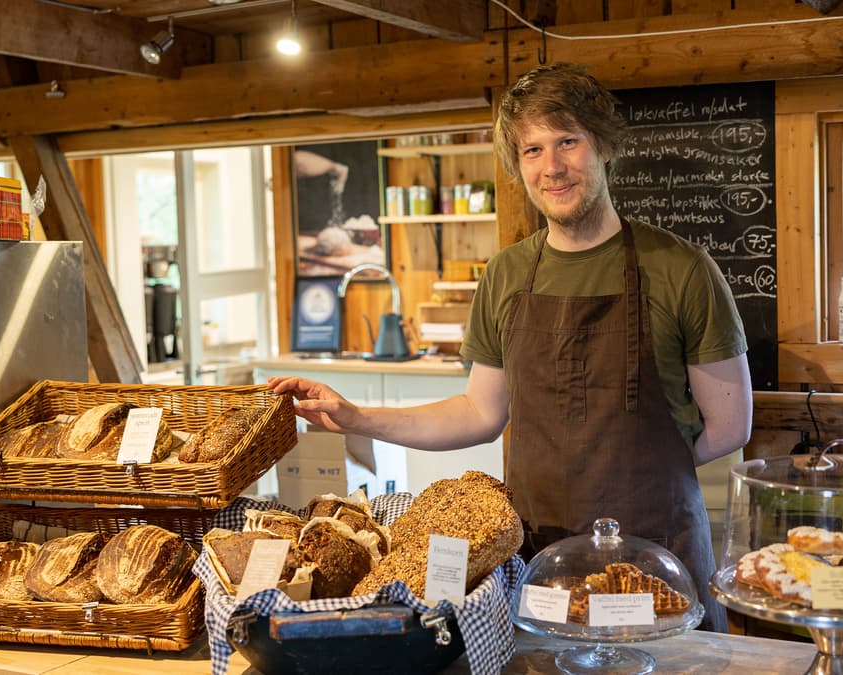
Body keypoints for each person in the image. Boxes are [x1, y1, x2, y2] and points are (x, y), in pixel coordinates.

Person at [268, 62, 752, 632]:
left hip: (652, 556)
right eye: (533, 150)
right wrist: (356, 417)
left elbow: (731, 424)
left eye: (568, 141)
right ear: (519, 166)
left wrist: (634, 470)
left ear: (603, 148)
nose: (553, 167)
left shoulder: (682, 270)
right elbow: (478, 412)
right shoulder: (506, 274)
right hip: (541, 555)